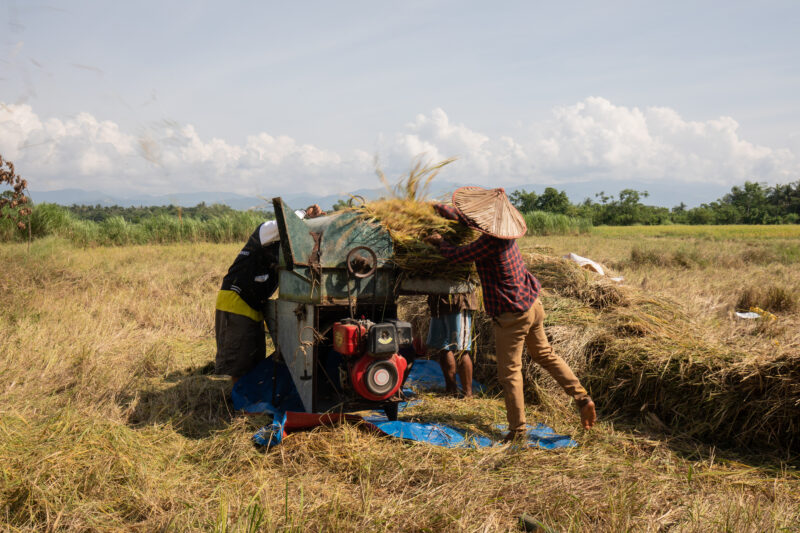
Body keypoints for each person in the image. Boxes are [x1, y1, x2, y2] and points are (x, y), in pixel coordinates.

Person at [424, 187, 596, 439]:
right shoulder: (504, 235)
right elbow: (467, 219)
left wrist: (440, 242)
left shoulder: (489, 244)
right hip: (533, 305)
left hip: (512, 315)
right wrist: (437, 208)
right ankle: (582, 398)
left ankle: (517, 431)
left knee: (509, 373)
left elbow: (457, 255)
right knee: (546, 355)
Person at [215, 204, 324, 383]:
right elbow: (286, 224)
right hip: (236, 299)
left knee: (253, 355)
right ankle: (238, 404)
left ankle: (248, 397)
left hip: (255, 302)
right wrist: (305, 213)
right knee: (239, 360)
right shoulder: (267, 230)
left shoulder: (289, 247)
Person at [426, 291, 479, 398]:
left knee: (461, 349)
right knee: (443, 347)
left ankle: (468, 395)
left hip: (458, 301)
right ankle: (451, 391)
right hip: (438, 303)